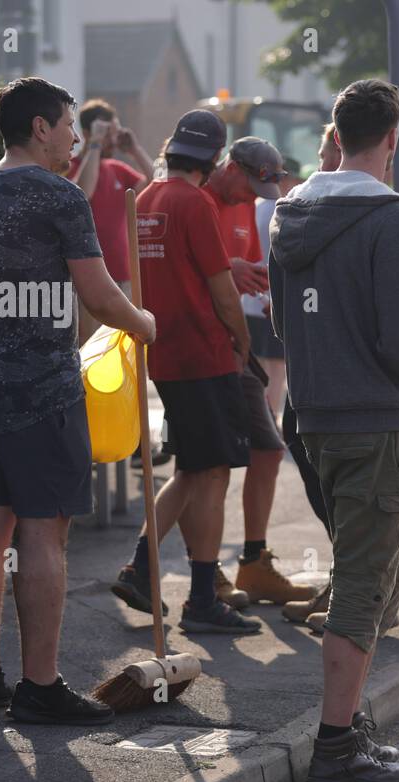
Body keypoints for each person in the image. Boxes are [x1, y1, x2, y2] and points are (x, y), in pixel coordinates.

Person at [0, 77, 156, 723]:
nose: (75, 138)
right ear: (40, 126)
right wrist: (143, 322)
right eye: (68, 126)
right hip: (44, 388)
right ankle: (40, 686)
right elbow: (100, 296)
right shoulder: (59, 194)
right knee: (45, 528)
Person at [270, 78, 399, 782]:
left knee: (359, 569)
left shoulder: (289, 212)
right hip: (376, 417)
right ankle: (337, 746)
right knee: (365, 581)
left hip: (315, 416)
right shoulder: (389, 216)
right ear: (393, 140)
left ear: (336, 133)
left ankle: (346, 730)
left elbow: (284, 326)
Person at [109, 110, 263, 635]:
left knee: (192, 470)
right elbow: (223, 290)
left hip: (166, 354)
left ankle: (141, 569)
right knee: (213, 475)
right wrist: (242, 342)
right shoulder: (194, 202)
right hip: (205, 354)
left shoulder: (147, 197)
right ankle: (201, 599)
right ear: (216, 159)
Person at [202, 138, 316, 608]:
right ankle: (187, 570)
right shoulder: (199, 202)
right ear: (230, 166)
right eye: (249, 186)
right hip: (208, 349)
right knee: (204, 469)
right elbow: (187, 273)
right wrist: (229, 272)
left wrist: (251, 281)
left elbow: (227, 273)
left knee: (264, 451)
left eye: (259, 191)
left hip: (237, 343)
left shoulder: (242, 206)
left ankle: (250, 563)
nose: (253, 199)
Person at [279, 126, 342, 633]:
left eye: (326, 156)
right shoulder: (305, 210)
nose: (317, 168)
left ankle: (356, 600)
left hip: (334, 378)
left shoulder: (306, 214)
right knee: (333, 485)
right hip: (314, 375)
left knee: (356, 495)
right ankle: (346, 583)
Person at [66, 98, 155, 343]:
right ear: (87, 132)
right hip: (89, 279)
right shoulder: (71, 167)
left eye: (114, 132)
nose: (112, 140)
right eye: (108, 133)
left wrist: (134, 149)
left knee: (123, 347)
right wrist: (94, 143)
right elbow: (83, 193)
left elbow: (155, 182)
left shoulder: (117, 168)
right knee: (90, 347)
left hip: (123, 276)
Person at [252, 153, 304, 415]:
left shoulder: (256, 205)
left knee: (260, 368)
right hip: (272, 300)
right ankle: (270, 423)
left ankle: (260, 424)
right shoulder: (282, 209)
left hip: (250, 300)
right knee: (276, 369)